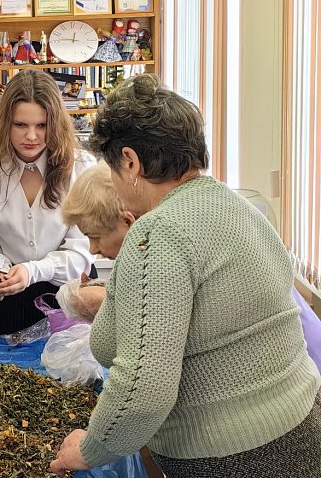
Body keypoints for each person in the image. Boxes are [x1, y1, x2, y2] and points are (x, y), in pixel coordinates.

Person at [50, 74, 321, 477]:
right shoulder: (235, 203)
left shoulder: (158, 232)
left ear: (130, 161)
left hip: (234, 457)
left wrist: (87, 451)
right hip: (300, 424)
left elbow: (143, 392)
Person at [61, 161, 321, 370]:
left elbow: (150, 363)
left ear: (128, 222)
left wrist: (104, 303)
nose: (93, 249)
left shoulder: (166, 246)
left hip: (301, 361)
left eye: (94, 237)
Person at [0, 69, 95, 335]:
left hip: (68, 295)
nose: (32, 137)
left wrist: (32, 270)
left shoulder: (81, 168)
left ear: (56, 123)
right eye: (21, 125)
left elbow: (81, 255)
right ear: (5, 124)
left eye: (42, 125)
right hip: (6, 295)